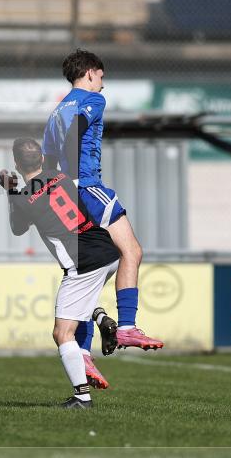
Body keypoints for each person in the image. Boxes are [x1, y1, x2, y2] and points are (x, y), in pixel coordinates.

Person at [43, 49, 164, 389]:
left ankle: (81, 350)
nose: (103, 85)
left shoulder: (56, 111)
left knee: (91, 269)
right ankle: (126, 326)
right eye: (102, 77)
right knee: (132, 252)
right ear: (92, 73)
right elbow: (77, 131)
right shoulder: (91, 100)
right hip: (88, 186)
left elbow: (47, 160)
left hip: (64, 192)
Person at [0, 138, 120, 409]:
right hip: (108, 251)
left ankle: (81, 397)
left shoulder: (23, 199)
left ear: (17, 164)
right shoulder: (61, 176)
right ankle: (100, 317)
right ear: (42, 159)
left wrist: (10, 191)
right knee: (79, 306)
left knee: (62, 333)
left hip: (83, 264)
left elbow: (18, 229)